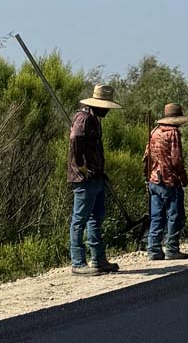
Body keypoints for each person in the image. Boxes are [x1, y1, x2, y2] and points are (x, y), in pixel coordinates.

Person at [69, 85, 122, 276]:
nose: (107, 111)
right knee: (80, 220)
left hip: (96, 177)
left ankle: (99, 260)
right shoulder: (83, 118)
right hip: (84, 179)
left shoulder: (94, 119)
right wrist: (81, 165)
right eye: (105, 107)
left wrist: (99, 171)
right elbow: (75, 138)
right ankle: (78, 263)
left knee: (96, 218)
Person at [145, 103, 188, 260]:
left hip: (154, 179)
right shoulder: (173, 133)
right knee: (175, 215)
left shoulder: (154, 131)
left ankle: (153, 249)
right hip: (169, 180)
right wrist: (183, 178)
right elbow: (176, 159)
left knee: (156, 216)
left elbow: (147, 156)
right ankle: (172, 248)